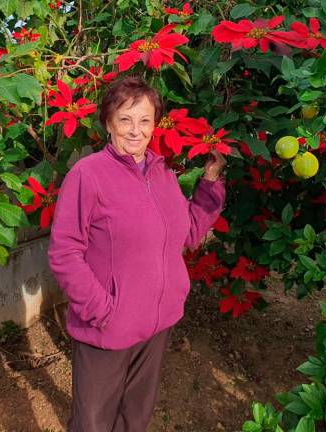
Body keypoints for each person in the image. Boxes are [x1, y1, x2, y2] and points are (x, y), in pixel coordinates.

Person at [47, 75, 226, 431]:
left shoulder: (163, 175)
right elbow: (64, 251)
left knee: (135, 418)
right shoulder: (88, 174)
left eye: (144, 120)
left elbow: (187, 232)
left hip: (157, 323)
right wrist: (103, 309)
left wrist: (210, 183)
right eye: (125, 119)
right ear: (108, 123)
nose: (135, 130)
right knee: (93, 423)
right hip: (108, 325)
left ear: (154, 125)